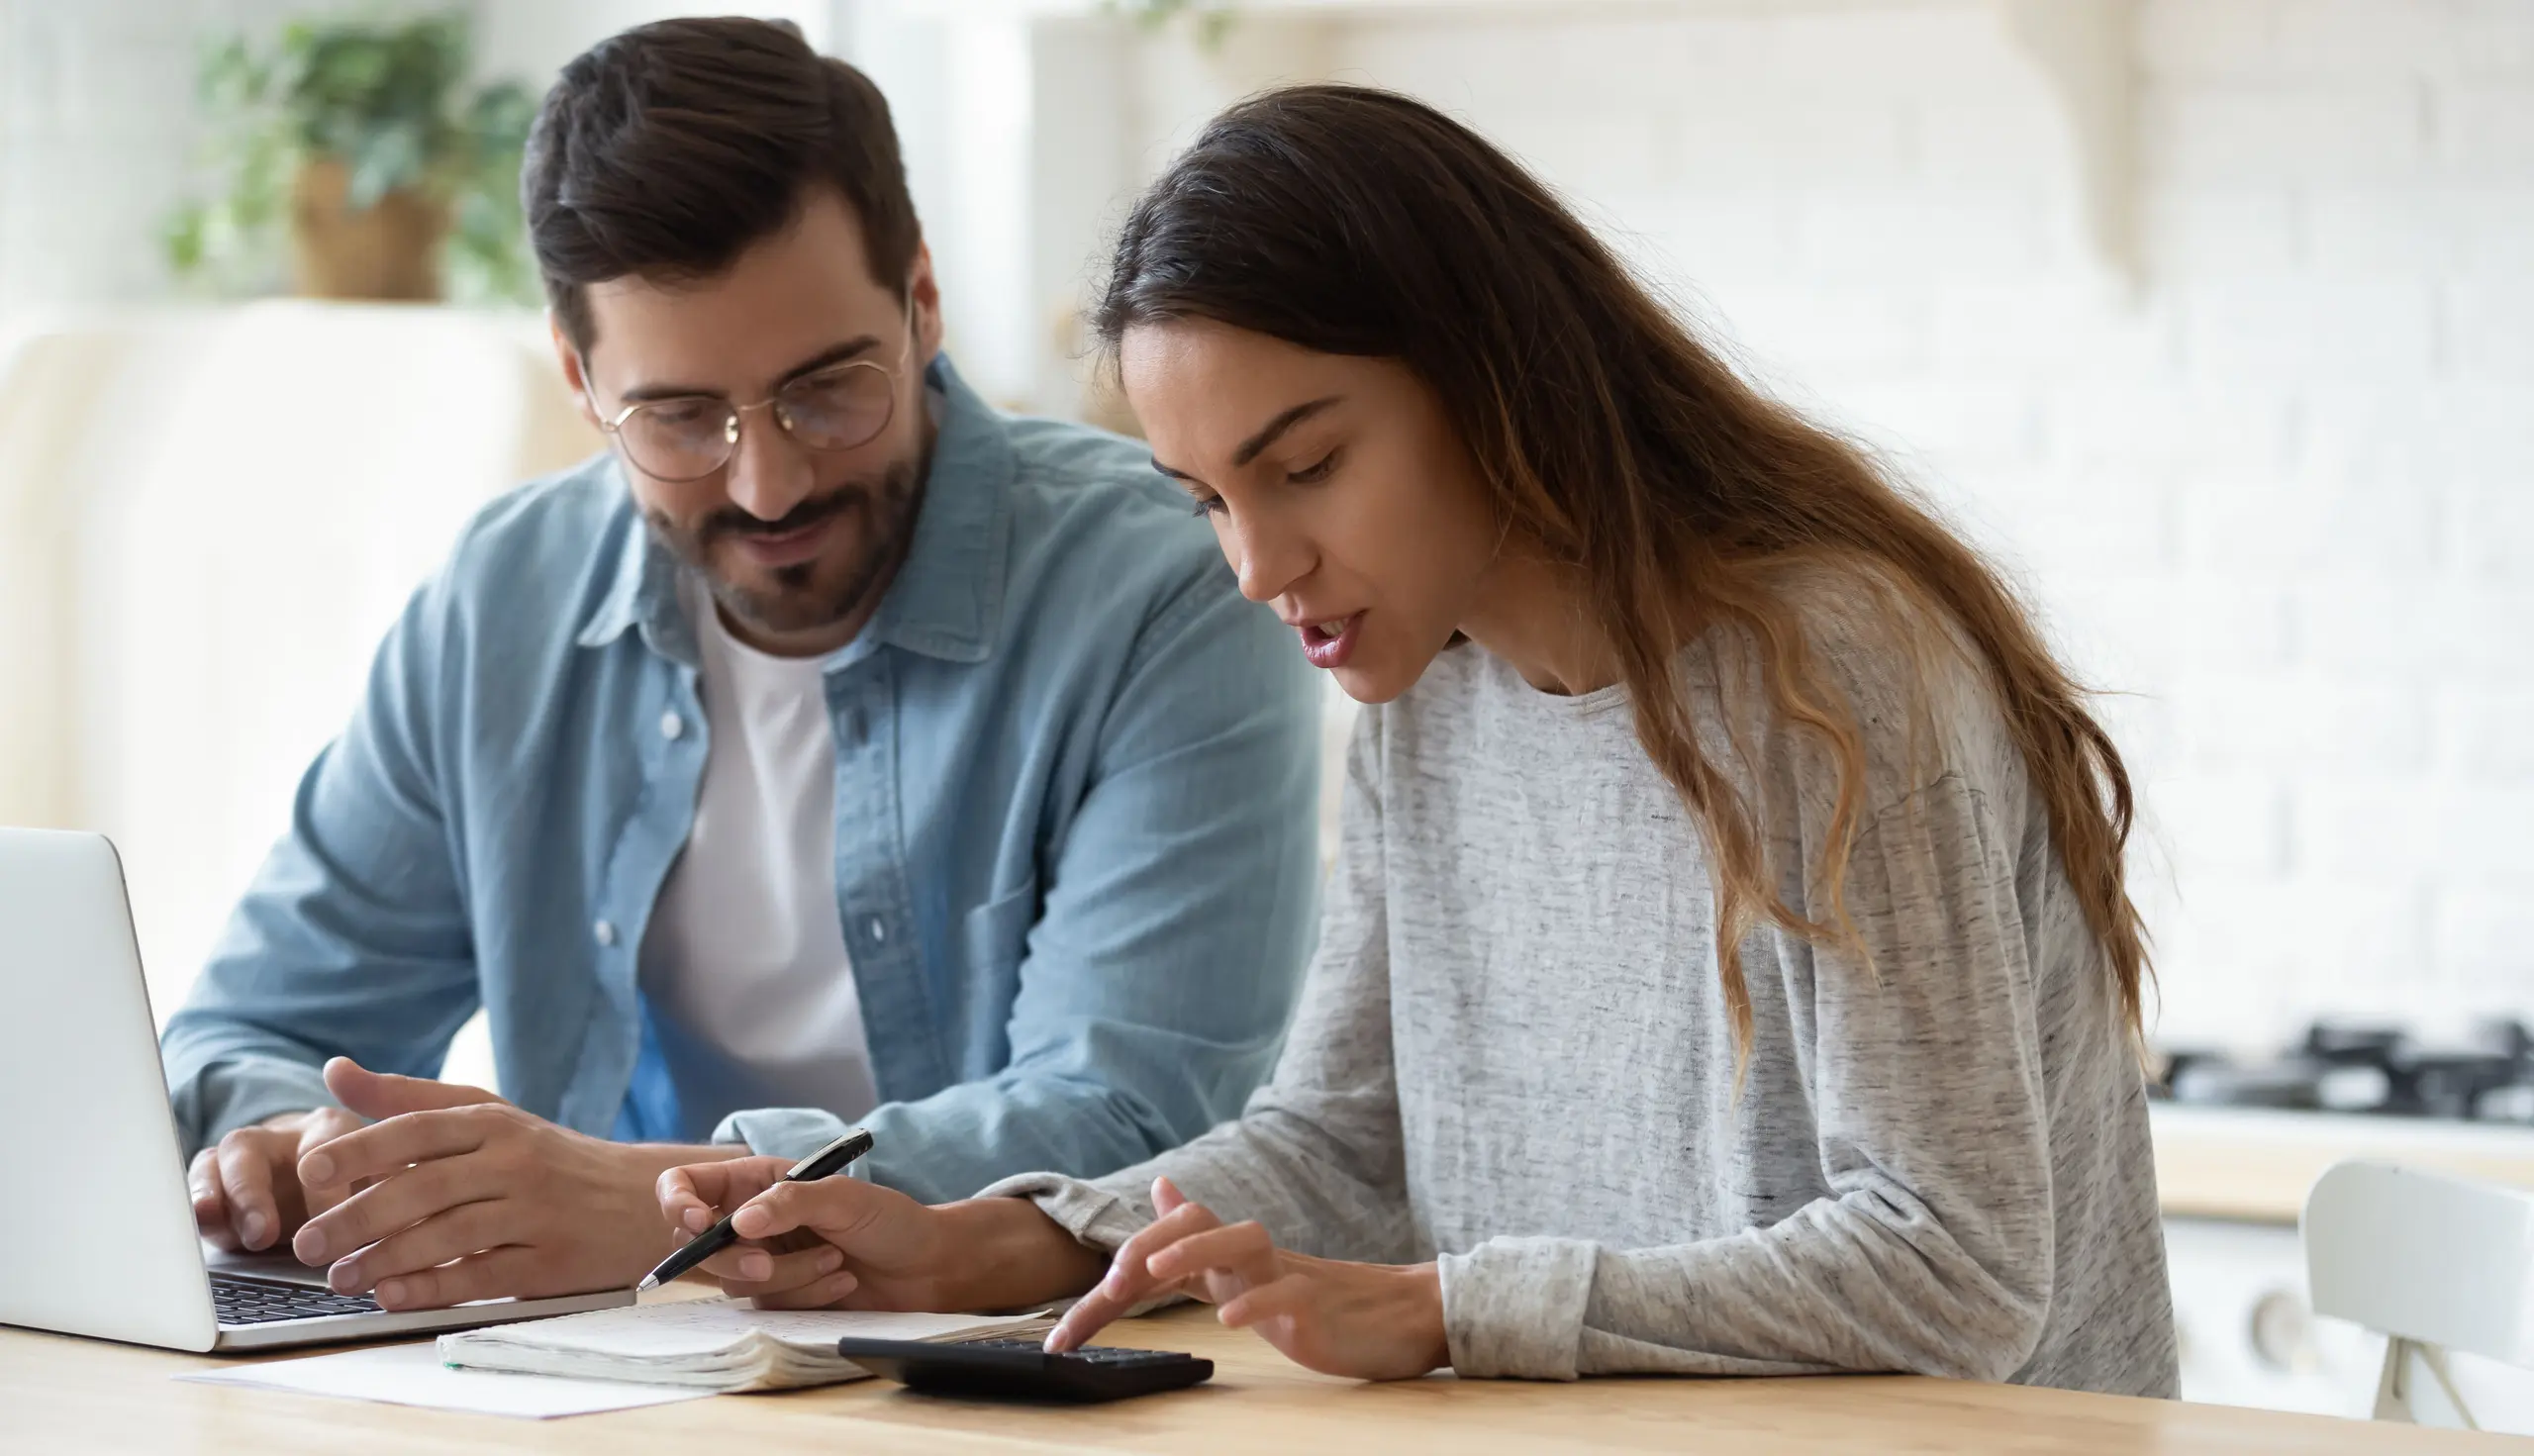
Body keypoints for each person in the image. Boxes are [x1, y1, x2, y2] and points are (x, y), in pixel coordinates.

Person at [652, 83, 2181, 1397]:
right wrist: (999, 1237)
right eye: (1207, 497)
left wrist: (1452, 1308)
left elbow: (1957, 1265)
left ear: (1489, 378)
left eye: (1305, 464)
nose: (1257, 567)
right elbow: (1348, 1142)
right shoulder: (1425, 692)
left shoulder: (1822, 668)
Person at [161, 18, 1321, 1313]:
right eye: (679, 418)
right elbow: (241, 1031)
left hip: (992, 1359)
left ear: (922, 299)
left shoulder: (1167, 587)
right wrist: (300, 1152)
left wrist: (653, 1199)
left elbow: (1137, 1117)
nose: (768, 480)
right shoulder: (506, 599)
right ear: (580, 375)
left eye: (828, 389)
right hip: (593, 1365)